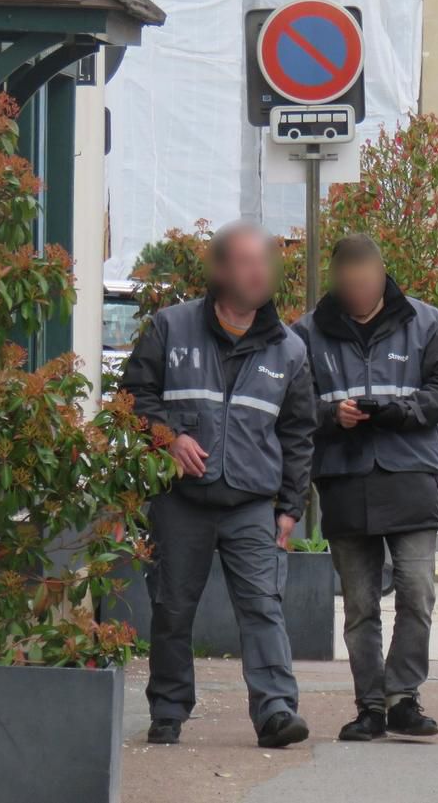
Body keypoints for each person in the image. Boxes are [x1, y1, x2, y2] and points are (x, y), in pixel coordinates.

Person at [121, 221, 317, 748]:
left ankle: (276, 711)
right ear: (222, 270)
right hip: (180, 501)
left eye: (266, 264)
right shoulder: (170, 328)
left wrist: (290, 507)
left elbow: (299, 433)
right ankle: (168, 708)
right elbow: (133, 397)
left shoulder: (289, 349)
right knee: (172, 607)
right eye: (250, 263)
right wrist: (167, 439)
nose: (260, 273)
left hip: (251, 503)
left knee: (263, 607)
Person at [293, 234, 438, 741]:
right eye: (349, 286)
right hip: (345, 481)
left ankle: (403, 698)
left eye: (366, 284)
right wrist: (332, 415)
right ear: (337, 281)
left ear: (381, 275)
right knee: (360, 605)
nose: (359, 293)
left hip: (409, 476)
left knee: (417, 593)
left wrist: (401, 413)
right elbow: (292, 406)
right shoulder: (306, 333)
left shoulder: (426, 322)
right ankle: (369, 705)